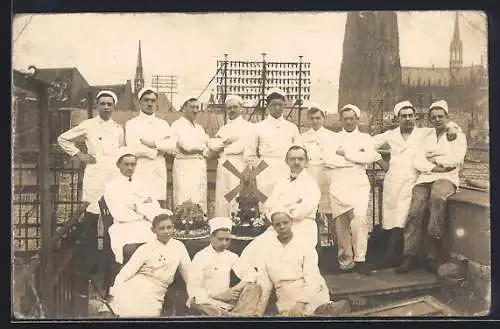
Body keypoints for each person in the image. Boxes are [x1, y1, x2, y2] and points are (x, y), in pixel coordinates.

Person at [372, 100, 460, 268]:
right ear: (397, 118)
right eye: (403, 116)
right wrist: (380, 162)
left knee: (407, 216)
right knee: (391, 217)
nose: (408, 119)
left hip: (413, 178)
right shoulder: (390, 135)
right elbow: (368, 144)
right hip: (393, 179)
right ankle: (394, 254)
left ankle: (395, 255)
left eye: (410, 115)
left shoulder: (423, 133)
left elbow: (442, 123)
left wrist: (453, 127)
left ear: (415, 117)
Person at [396, 100, 467, 274]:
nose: (437, 119)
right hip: (426, 177)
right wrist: (434, 166)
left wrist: (436, 159)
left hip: (447, 178)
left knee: (437, 198)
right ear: (429, 119)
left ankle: (432, 253)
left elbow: (456, 159)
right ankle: (409, 256)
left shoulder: (456, 135)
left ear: (447, 118)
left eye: (440, 116)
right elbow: (417, 160)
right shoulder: (426, 136)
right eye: (433, 117)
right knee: (415, 211)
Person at [57, 90, 124, 264]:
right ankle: (90, 263)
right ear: (97, 106)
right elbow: (63, 139)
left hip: (113, 176)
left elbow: (122, 152)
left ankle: (110, 261)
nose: (106, 107)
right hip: (95, 174)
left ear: (114, 106)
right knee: (91, 218)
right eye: (103, 103)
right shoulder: (88, 125)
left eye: (109, 104)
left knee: (113, 218)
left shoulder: (118, 128)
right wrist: (80, 155)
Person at [255, 209, 351, 317]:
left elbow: (312, 278)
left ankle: (326, 310)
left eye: (285, 222)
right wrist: (257, 313)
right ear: (273, 227)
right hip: (287, 296)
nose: (282, 227)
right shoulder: (267, 251)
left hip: (309, 291)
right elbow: (265, 286)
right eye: (278, 224)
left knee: (314, 308)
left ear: (291, 222)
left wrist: (300, 304)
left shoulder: (305, 245)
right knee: (295, 314)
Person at [240, 145, 321, 272]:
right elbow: (270, 205)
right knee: (251, 253)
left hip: (302, 227)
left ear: (306, 162)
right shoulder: (282, 182)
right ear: (286, 161)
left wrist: (283, 211)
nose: (296, 162)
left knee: (287, 257)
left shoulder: (310, 183)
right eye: (292, 159)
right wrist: (279, 214)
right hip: (278, 226)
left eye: (300, 159)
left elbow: (303, 209)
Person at [324, 104, 381, 275]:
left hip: (358, 183)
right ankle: (346, 261)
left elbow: (369, 157)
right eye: (345, 118)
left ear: (357, 119)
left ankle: (360, 258)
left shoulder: (365, 138)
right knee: (341, 224)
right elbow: (327, 159)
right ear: (341, 120)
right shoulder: (333, 138)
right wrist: (357, 158)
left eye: (351, 118)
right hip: (338, 182)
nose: (348, 121)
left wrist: (346, 154)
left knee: (359, 220)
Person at [108, 214, 191, 317]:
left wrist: (194, 291)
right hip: (136, 286)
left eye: (169, 227)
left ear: (173, 227)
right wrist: (114, 291)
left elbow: (188, 272)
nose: (166, 231)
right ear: (153, 230)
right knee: (129, 311)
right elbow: (126, 272)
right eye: (161, 228)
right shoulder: (145, 248)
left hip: (157, 291)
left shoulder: (179, 246)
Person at [104, 150, 171, 265]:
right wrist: (143, 208)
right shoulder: (111, 186)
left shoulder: (140, 183)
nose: (130, 168)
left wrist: (137, 207)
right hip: (124, 227)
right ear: (118, 165)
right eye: (126, 164)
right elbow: (120, 213)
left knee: (165, 245)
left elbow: (153, 204)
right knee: (133, 248)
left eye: (133, 164)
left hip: (144, 224)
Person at [187, 217, 262, 316]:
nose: (224, 243)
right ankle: (237, 317)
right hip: (208, 300)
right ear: (211, 237)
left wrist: (235, 289)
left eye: (227, 239)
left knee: (254, 288)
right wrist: (219, 296)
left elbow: (251, 273)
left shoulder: (230, 255)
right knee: (197, 301)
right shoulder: (201, 257)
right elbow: (193, 289)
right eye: (220, 239)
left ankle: (233, 316)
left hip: (227, 300)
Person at [244, 88, 300, 202]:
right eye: (274, 104)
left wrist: (293, 168)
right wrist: (262, 166)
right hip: (266, 171)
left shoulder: (292, 128)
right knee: (266, 203)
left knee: (286, 201)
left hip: (286, 169)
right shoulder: (258, 127)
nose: (277, 108)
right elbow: (249, 154)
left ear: (284, 105)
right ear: (268, 106)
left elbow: (299, 151)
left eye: (280, 104)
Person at [125, 87, 177, 206]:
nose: (150, 103)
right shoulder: (132, 124)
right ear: (140, 102)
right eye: (146, 100)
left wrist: (152, 143)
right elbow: (133, 148)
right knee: (140, 205)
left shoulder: (162, 124)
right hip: (140, 169)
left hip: (158, 169)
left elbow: (172, 145)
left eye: (153, 100)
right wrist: (156, 151)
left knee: (158, 208)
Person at [296, 103, 337, 250]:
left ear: (323, 118)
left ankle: (336, 248)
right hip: (310, 176)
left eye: (318, 118)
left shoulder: (333, 136)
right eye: (312, 118)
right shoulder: (302, 137)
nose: (315, 121)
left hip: (327, 176)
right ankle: (314, 248)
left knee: (331, 212)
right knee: (312, 213)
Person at [207, 95, 255, 217]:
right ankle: (222, 223)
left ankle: (237, 223)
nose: (232, 110)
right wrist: (226, 141)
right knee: (223, 195)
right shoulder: (224, 128)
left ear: (241, 108)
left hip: (239, 162)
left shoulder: (249, 127)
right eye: (229, 108)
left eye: (235, 107)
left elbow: (249, 148)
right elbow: (212, 146)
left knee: (237, 196)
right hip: (224, 164)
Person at [171, 98, 210, 214]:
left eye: (197, 107)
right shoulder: (177, 125)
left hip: (199, 166)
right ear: (184, 108)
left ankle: (200, 227)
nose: (195, 110)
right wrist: (202, 148)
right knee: (185, 197)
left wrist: (202, 150)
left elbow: (209, 145)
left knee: (199, 198)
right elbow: (186, 147)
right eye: (192, 107)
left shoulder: (199, 128)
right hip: (185, 166)